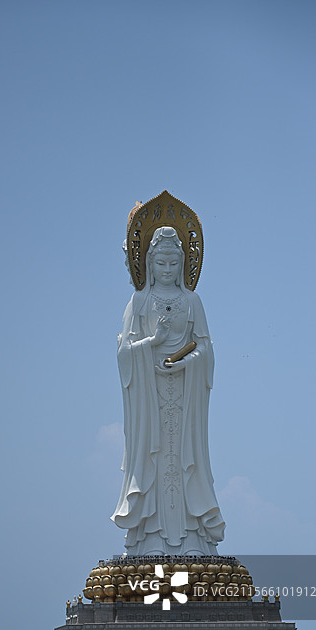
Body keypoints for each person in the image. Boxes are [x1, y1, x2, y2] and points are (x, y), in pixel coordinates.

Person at [112, 226, 225, 555]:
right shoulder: (139, 301)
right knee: (155, 459)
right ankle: (150, 540)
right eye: (160, 263)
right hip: (150, 399)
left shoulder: (192, 302)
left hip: (185, 398)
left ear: (182, 264)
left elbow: (206, 350)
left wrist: (188, 362)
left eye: (173, 264)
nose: (166, 270)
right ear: (149, 264)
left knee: (185, 459)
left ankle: (192, 538)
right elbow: (124, 352)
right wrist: (154, 342)